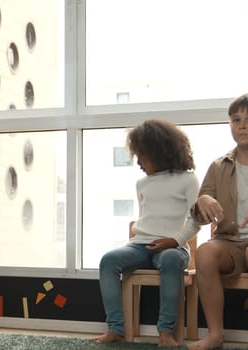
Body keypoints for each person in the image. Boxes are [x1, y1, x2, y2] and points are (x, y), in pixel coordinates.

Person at [92, 119, 200, 347]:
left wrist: (174, 241)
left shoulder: (188, 179)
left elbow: (196, 220)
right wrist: (141, 241)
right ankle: (116, 329)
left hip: (174, 247)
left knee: (170, 259)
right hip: (140, 245)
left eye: (142, 155)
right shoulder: (142, 183)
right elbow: (146, 219)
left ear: (158, 151)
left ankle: (166, 333)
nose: (138, 161)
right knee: (108, 261)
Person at [187, 93, 248, 350]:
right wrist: (202, 200)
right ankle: (215, 334)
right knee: (205, 253)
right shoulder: (219, 166)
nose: (241, 125)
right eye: (235, 119)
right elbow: (198, 214)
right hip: (228, 240)